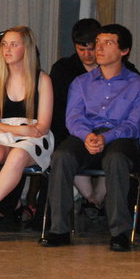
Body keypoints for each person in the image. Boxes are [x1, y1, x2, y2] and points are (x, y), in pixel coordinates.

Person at [42, 24, 140, 251]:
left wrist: (106, 137)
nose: (98, 48)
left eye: (107, 43)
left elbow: (133, 125)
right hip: (86, 135)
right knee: (61, 156)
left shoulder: (137, 84)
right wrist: (88, 135)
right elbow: (73, 118)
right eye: (98, 43)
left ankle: (119, 233)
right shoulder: (81, 82)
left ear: (124, 50)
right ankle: (59, 229)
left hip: (121, 138)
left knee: (116, 159)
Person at [0, 26, 54, 240]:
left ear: (27, 48)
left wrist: (16, 129)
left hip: (34, 138)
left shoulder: (42, 80)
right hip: (3, 132)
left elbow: (41, 126)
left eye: (14, 44)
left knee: (17, 155)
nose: (7, 49)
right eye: (4, 44)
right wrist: (19, 129)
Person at [49, 18, 105, 218]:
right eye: (82, 49)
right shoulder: (63, 68)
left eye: (91, 49)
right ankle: (91, 198)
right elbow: (58, 111)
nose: (88, 55)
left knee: (114, 151)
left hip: (108, 133)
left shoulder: (115, 67)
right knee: (65, 152)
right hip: (71, 131)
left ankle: (96, 198)